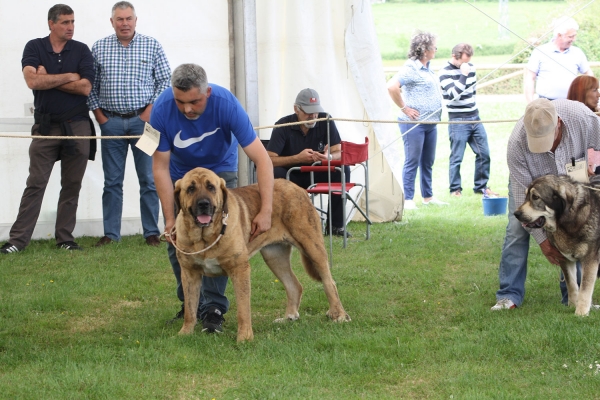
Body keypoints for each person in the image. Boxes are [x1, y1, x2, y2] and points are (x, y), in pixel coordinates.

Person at [151, 63, 273, 333]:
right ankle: (190, 306)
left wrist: (266, 210)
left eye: (194, 101)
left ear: (207, 92)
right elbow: (158, 167)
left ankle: (214, 309)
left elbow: (262, 160)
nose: (187, 109)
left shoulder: (227, 104)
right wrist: (170, 219)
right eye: (180, 102)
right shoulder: (159, 109)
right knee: (177, 243)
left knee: (221, 239)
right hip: (182, 177)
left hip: (220, 172)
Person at [1, 4, 94, 254]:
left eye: (72, 21)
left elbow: (85, 88)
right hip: (45, 126)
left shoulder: (82, 50)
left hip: (77, 126)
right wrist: (68, 76)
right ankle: (17, 241)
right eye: (64, 22)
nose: (70, 27)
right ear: (51, 24)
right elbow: (32, 80)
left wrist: (50, 77)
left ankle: (65, 238)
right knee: (36, 183)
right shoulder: (35, 47)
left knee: (72, 184)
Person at [491, 98, 600, 310]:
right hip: (532, 189)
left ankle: (572, 299)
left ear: (558, 123)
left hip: (573, 185)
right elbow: (520, 190)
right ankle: (509, 295)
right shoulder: (516, 144)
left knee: (578, 231)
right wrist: (543, 240)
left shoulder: (583, 118)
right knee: (516, 230)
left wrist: (596, 170)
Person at [88, 1, 171, 247]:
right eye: (120, 19)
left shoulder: (152, 45)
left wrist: (149, 111)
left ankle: (151, 233)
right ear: (112, 22)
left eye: (128, 18)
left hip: (145, 125)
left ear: (136, 20)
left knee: (149, 177)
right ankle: (111, 234)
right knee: (112, 181)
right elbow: (90, 85)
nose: (125, 23)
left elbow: (166, 81)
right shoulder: (99, 47)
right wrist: (100, 117)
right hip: (110, 123)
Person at [266, 88, 351, 237]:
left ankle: (336, 226)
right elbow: (269, 160)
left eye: (316, 111)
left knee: (343, 169)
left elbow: (339, 151)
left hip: (317, 172)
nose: (313, 116)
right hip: (291, 176)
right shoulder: (282, 125)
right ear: (296, 109)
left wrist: (328, 157)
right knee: (275, 172)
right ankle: (280, 226)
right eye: (308, 112)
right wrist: (297, 158)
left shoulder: (325, 120)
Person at [387, 31, 447, 210]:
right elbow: (392, 87)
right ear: (425, 49)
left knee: (428, 160)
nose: (436, 49)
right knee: (412, 159)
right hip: (413, 124)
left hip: (430, 123)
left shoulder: (428, 68)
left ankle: (428, 197)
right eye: (434, 47)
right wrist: (404, 108)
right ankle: (408, 199)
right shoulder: (411, 68)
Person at [439, 43, 498, 198]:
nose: (466, 64)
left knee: (484, 153)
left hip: (475, 117)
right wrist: (463, 75)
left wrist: (466, 71)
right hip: (457, 119)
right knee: (457, 157)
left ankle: (481, 187)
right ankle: (455, 190)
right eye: (463, 61)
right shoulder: (444, 72)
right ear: (454, 56)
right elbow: (453, 95)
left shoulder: (470, 67)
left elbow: (472, 92)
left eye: (468, 60)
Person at [525, 16, 593, 104]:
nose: (573, 39)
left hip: (572, 102)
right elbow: (530, 78)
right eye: (570, 36)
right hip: (546, 104)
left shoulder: (577, 52)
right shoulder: (540, 52)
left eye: (574, 36)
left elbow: (589, 74)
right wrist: (530, 103)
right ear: (559, 35)